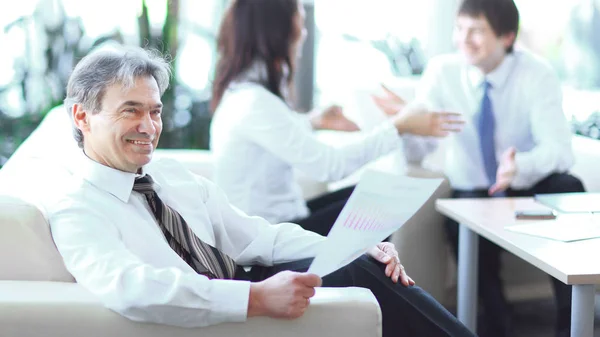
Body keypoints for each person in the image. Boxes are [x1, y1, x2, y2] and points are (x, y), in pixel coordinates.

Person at [46, 45, 476, 337]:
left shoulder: (171, 175)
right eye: (130, 111)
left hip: (244, 283)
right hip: (222, 307)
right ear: (82, 117)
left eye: (155, 112)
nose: (148, 127)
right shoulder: (77, 208)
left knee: (365, 264)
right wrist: (254, 298)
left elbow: (258, 237)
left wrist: (354, 246)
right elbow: (132, 288)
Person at [372, 1, 585, 337]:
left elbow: (559, 150)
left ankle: (572, 320)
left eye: (475, 31)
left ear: (506, 36)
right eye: (459, 29)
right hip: (473, 190)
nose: (463, 39)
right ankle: (497, 322)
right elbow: (420, 152)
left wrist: (519, 166)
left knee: (568, 185)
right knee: (459, 219)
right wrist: (404, 125)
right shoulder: (443, 72)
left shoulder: (537, 73)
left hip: (526, 182)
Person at [209, 0, 463, 236]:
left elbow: (273, 134)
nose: (304, 33)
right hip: (270, 238)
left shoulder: (245, 95)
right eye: (300, 19)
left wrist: (313, 121)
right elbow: (330, 165)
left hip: (282, 222)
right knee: (381, 205)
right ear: (279, 30)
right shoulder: (255, 102)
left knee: (377, 198)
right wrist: (398, 126)